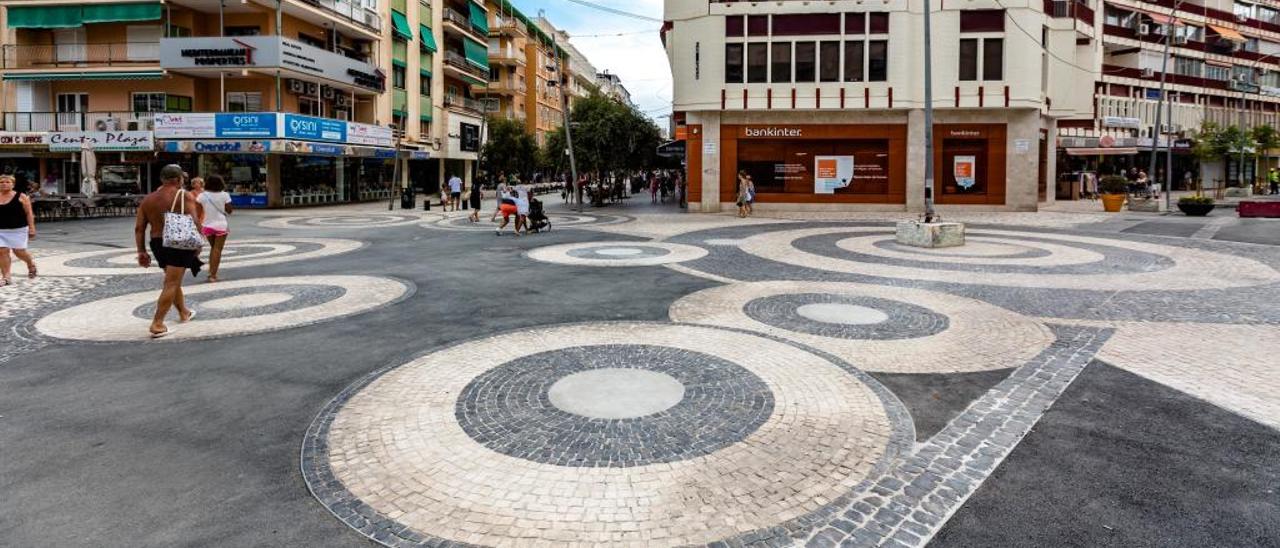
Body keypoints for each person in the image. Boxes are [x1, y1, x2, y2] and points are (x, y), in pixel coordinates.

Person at [135, 165, 202, 338]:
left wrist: (141, 251)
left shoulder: (148, 199)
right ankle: (157, 323)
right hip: (177, 241)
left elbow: (139, 228)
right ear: (178, 179)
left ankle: (183, 312)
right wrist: (199, 243)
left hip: (157, 242)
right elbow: (194, 221)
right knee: (171, 282)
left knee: (172, 278)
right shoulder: (183, 195)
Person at [0, 174, 37, 286]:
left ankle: (30, 264)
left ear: (13, 184)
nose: (4, 184)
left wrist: (32, 228)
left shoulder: (21, 196)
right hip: (1, 230)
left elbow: (29, 213)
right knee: (2, 251)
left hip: (18, 229)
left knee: (19, 251)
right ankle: (6, 277)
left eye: (7, 182)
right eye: (1, 182)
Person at [198, 175, 233, 283]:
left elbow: (198, 211)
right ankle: (213, 275)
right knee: (217, 250)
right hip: (221, 225)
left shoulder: (202, 195)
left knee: (213, 249)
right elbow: (229, 211)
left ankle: (210, 272)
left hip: (207, 225)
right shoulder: (224, 195)